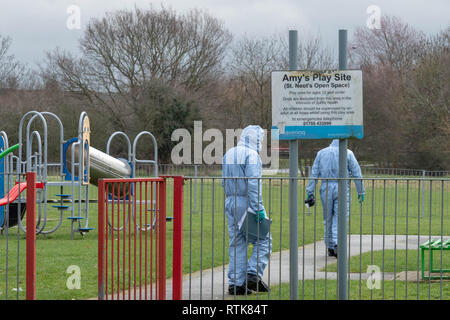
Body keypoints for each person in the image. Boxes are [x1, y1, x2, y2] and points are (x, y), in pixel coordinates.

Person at [222, 125, 272, 295]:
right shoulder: (252, 155)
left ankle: (236, 283)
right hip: (246, 202)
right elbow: (253, 183)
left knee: (237, 242)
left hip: (229, 200)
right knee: (264, 239)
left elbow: (223, 180)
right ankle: (252, 274)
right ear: (257, 139)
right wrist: (258, 208)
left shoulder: (229, 153)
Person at [306, 139, 365, 258]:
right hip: (342, 186)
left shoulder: (321, 153)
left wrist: (310, 191)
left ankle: (330, 246)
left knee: (327, 218)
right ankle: (338, 243)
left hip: (326, 186)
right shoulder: (348, 153)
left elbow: (314, 173)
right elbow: (356, 172)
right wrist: (361, 191)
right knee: (340, 217)